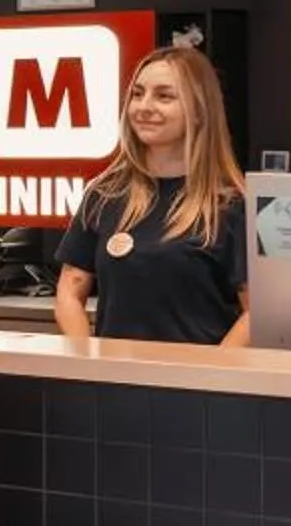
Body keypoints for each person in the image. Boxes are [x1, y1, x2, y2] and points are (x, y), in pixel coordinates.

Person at [52, 44, 251, 348]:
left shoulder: (232, 204)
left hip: (197, 389)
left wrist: (208, 377)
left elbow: (255, 313)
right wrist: (86, 362)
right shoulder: (104, 194)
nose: (144, 106)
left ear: (199, 111)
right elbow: (70, 289)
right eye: (137, 93)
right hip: (115, 385)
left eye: (164, 96)